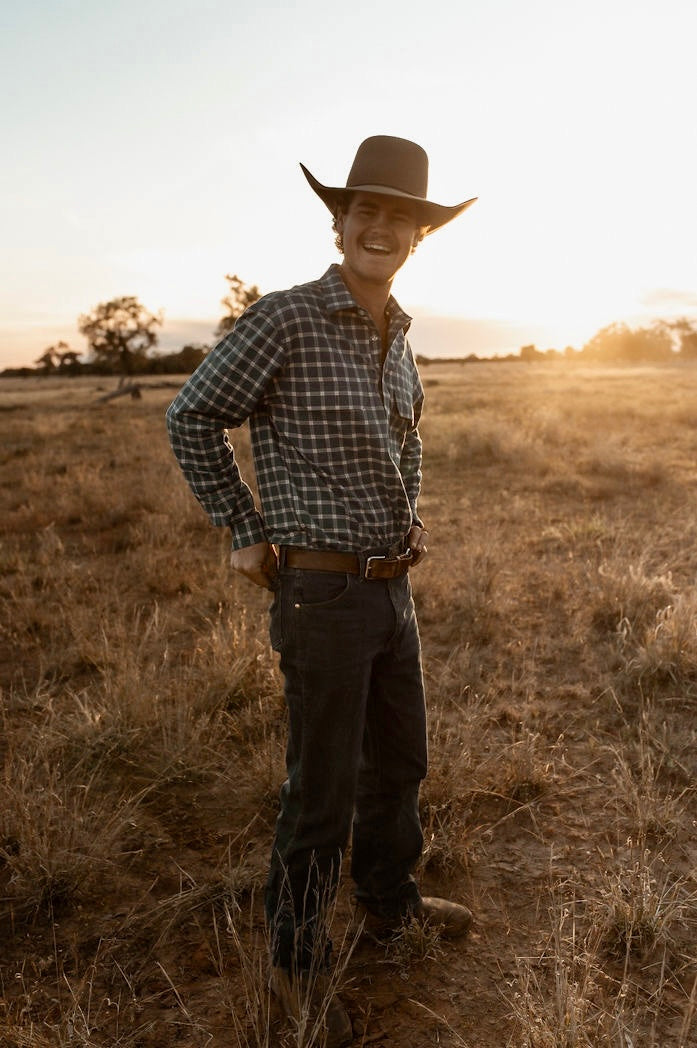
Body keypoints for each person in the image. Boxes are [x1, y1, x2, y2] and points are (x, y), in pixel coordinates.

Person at [166, 135, 477, 1046]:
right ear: (339, 223)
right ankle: (295, 963)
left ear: (419, 237)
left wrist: (409, 515)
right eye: (366, 211)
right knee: (323, 787)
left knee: (401, 764)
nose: (382, 228)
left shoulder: (401, 332)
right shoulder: (287, 319)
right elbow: (192, 416)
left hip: (392, 589)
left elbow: (409, 436)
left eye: (401, 217)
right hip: (320, 596)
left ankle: (391, 906)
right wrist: (242, 527)